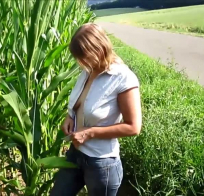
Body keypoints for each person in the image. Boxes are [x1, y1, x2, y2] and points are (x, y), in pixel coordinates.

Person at [50, 23, 142, 196]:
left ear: (98, 50)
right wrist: (69, 117)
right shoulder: (88, 70)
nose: (81, 62)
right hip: (75, 154)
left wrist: (89, 132)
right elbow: (80, 103)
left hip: (101, 164)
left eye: (84, 56)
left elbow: (133, 127)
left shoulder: (123, 78)